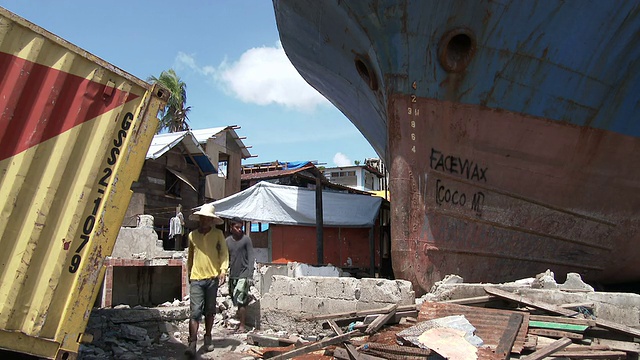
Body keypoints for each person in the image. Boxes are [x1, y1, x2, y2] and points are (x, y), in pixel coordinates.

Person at [185, 203, 229, 356]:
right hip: (196, 278)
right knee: (195, 312)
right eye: (203, 218)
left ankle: (208, 337)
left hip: (212, 278)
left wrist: (223, 270)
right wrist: (189, 273)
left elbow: (224, 253)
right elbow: (190, 257)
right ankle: (192, 343)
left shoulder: (218, 235)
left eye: (208, 218)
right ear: (200, 219)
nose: (205, 221)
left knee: (209, 311)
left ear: (212, 220)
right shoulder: (192, 236)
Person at [225, 217, 255, 333]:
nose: (239, 230)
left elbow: (251, 257)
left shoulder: (246, 240)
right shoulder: (227, 241)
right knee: (234, 298)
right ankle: (239, 322)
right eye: (237, 227)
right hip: (233, 274)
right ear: (231, 227)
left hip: (243, 273)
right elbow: (224, 257)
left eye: (240, 227)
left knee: (241, 299)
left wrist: (249, 274)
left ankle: (242, 326)